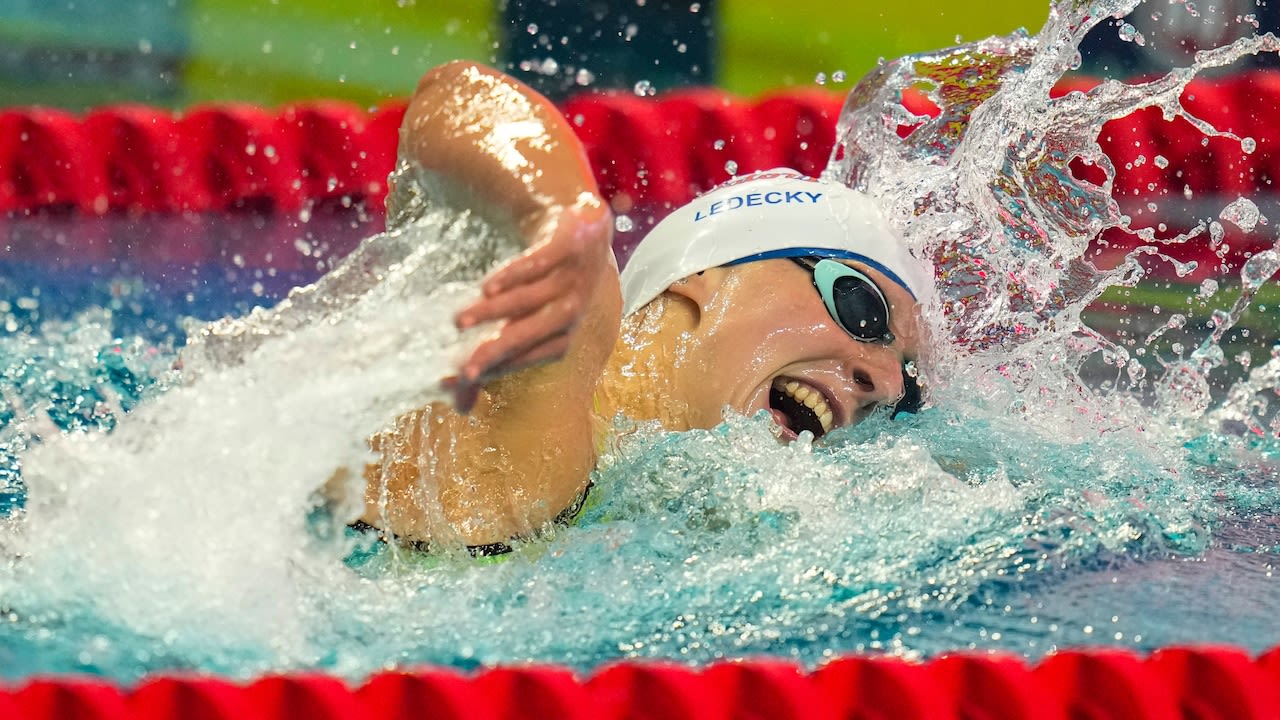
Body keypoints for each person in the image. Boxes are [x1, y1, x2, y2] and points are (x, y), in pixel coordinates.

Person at [354, 61, 931, 553]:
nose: (882, 382)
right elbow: (458, 96)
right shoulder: (560, 355)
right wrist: (554, 216)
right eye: (862, 308)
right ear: (702, 275)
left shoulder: (654, 509)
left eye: (907, 392)